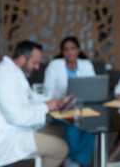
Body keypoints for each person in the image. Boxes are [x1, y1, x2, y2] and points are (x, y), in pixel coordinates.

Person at [0, 40, 74, 167]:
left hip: (15, 129)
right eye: (35, 63)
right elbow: (18, 116)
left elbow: (31, 97)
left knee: (58, 129)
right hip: (3, 139)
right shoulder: (4, 77)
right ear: (21, 59)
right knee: (61, 149)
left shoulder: (14, 73)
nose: (37, 67)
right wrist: (47, 106)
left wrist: (55, 102)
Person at [44, 36, 96, 167]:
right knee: (73, 129)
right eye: (66, 49)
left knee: (93, 128)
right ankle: (73, 161)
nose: (69, 52)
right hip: (61, 109)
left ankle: (72, 160)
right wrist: (64, 97)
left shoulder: (86, 65)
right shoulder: (54, 66)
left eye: (73, 48)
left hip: (82, 108)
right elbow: (47, 91)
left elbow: (94, 85)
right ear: (62, 52)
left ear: (78, 50)